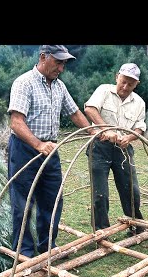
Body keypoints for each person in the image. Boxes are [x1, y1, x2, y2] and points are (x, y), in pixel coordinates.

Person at [7, 45, 97, 258]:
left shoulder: (59, 86)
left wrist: (93, 132)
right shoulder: (24, 83)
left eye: (64, 63)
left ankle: (48, 246)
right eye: (58, 62)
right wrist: (38, 144)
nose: (61, 68)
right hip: (25, 149)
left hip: (50, 150)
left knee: (53, 199)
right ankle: (24, 252)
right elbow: (16, 123)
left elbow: (74, 113)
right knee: (22, 203)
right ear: (43, 57)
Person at [84, 63, 146, 235]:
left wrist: (129, 137)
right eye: (123, 81)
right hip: (99, 147)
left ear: (136, 84)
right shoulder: (104, 90)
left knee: (131, 189)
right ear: (117, 76)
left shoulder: (139, 102)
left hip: (123, 150)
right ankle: (102, 232)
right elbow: (90, 109)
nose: (125, 87)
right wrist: (107, 129)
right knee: (100, 193)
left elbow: (140, 127)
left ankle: (135, 225)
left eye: (130, 84)